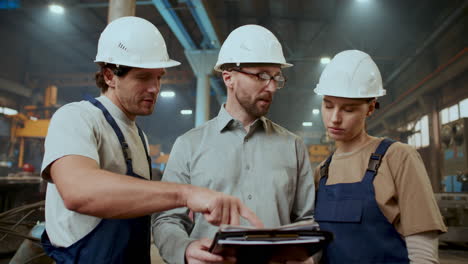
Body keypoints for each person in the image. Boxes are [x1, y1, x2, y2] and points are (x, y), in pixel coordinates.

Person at [39, 16, 262, 264]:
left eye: (158, 77)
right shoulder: (77, 117)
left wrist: (186, 247)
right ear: (110, 76)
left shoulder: (138, 137)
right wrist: (186, 194)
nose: (155, 88)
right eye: (143, 77)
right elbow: (78, 191)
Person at [152, 24, 315, 264]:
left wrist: (306, 255)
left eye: (275, 77)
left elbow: (307, 219)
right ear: (229, 77)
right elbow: (167, 219)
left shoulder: (293, 146)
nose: (271, 87)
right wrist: (185, 249)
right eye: (261, 75)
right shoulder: (189, 145)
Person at [313, 50, 447, 263]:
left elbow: (423, 252)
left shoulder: (398, 158)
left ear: (370, 108)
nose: (335, 118)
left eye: (348, 109)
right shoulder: (322, 172)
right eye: (328, 105)